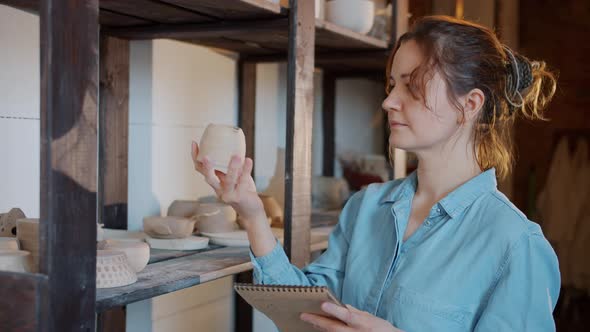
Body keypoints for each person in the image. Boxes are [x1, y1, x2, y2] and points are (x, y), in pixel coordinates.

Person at [191, 15, 559, 332]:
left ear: (470, 105)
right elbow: (311, 315)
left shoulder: (516, 245)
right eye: (392, 84)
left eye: (411, 87)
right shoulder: (366, 207)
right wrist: (252, 214)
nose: (388, 101)